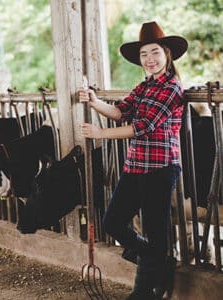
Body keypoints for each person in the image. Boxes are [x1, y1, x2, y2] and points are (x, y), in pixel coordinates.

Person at [79, 21, 188, 300]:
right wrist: (94, 102)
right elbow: (120, 112)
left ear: (167, 54)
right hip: (136, 165)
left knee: (155, 231)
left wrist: (99, 133)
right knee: (112, 222)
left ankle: (143, 292)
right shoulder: (143, 87)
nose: (149, 60)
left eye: (155, 53)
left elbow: (143, 125)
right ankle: (158, 263)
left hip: (160, 168)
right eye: (144, 55)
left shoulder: (172, 88)